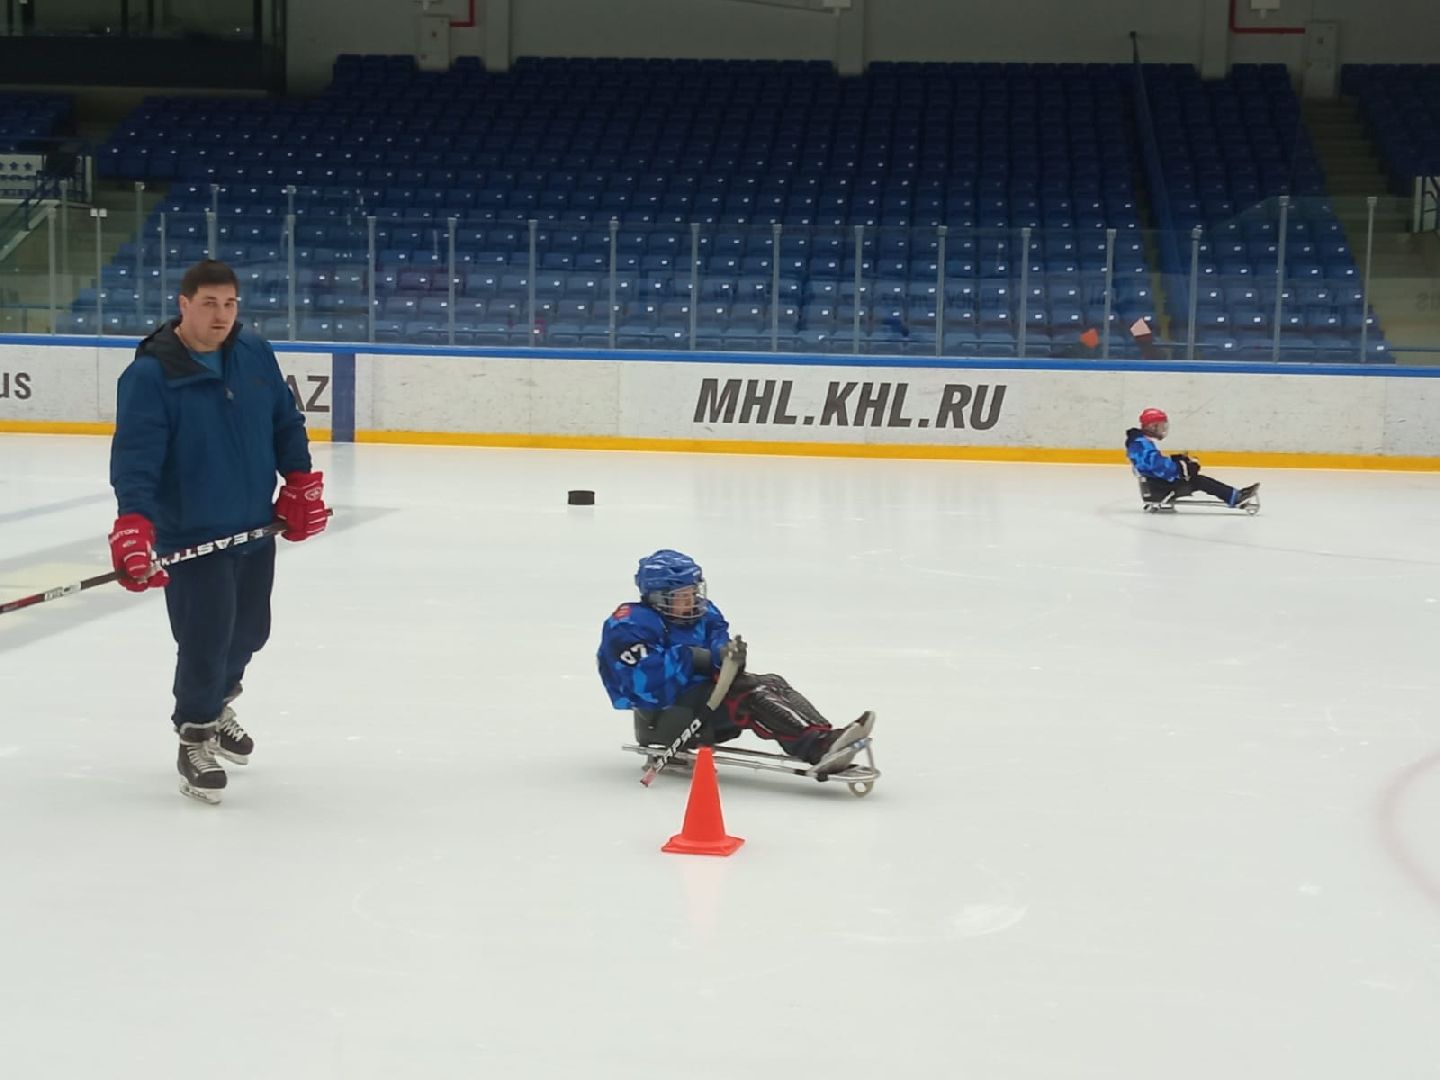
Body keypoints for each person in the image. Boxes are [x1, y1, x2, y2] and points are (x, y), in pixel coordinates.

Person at [108, 259, 329, 804]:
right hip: (191, 534)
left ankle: (216, 702)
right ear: (183, 305)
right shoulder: (151, 375)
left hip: (253, 525)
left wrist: (299, 479)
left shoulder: (253, 352)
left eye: (229, 304)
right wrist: (134, 521)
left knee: (250, 632)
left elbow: (284, 419)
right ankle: (195, 732)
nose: (221, 315)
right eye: (209, 303)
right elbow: (136, 455)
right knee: (205, 641)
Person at [597, 549, 874, 777]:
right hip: (666, 714)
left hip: (705, 701)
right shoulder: (630, 624)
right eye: (682, 596)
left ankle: (825, 737)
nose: (691, 600)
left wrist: (728, 658)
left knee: (770, 682)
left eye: (693, 591)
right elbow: (643, 683)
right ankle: (816, 747)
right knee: (746, 694)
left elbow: (718, 641)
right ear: (658, 597)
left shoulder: (704, 613)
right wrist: (693, 658)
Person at [1126, 407, 1259, 510]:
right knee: (1200, 481)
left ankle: (1234, 495)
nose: (1163, 429)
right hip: (1158, 489)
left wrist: (1178, 461)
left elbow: (1155, 463)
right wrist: (1182, 468)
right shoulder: (1140, 444)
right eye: (1161, 426)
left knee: (1199, 480)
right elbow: (1155, 465)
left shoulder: (1141, 442)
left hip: (1157, 485)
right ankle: (1235, 497)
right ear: (1152, 426)